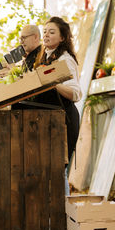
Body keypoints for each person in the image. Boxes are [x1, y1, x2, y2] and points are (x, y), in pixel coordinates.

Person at [33, 17, 82, 195]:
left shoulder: (65, 60)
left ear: (62, 38)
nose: (46, 34)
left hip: (64, 121)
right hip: (49, 121)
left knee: (58, 171)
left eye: (52, 32)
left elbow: (76, 93)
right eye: (45, 31)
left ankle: (64, 216)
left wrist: (53, 83)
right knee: (48, 171)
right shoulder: (43, 58)